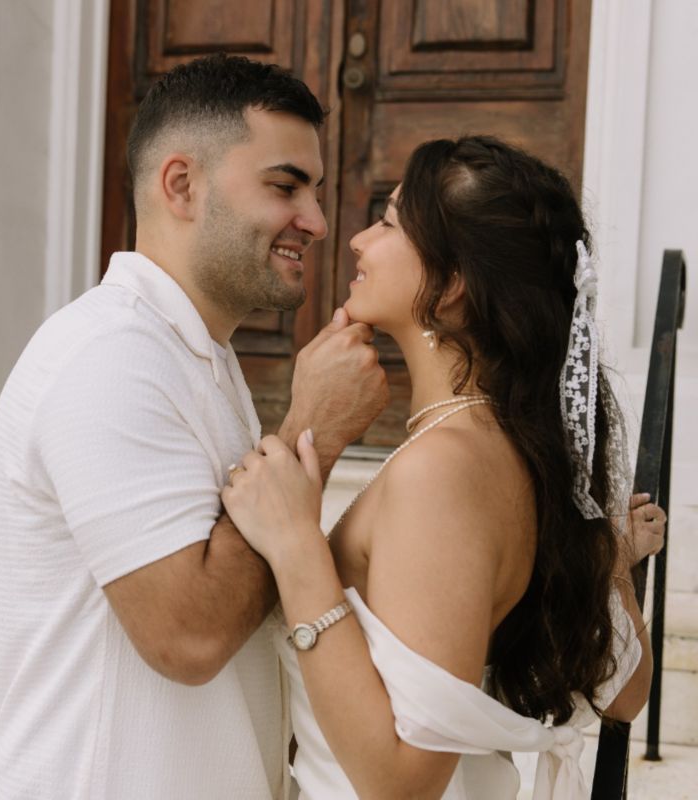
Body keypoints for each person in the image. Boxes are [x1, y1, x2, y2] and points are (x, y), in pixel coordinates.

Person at [0, 54, 388, 799]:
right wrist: (314, 430)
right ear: (181, 185)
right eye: (285, 186)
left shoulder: (194, 353)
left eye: (315, 191)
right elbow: (188, 636)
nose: (318, 222)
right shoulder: (108, 358)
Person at [222, 136, 666, 799]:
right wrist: (612, 561)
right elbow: (625, 694)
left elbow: (404, 783)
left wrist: (296, 548)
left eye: (388, 224)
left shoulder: (443, 472)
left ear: (452, 283)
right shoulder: (515, 449)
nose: (357, 241)